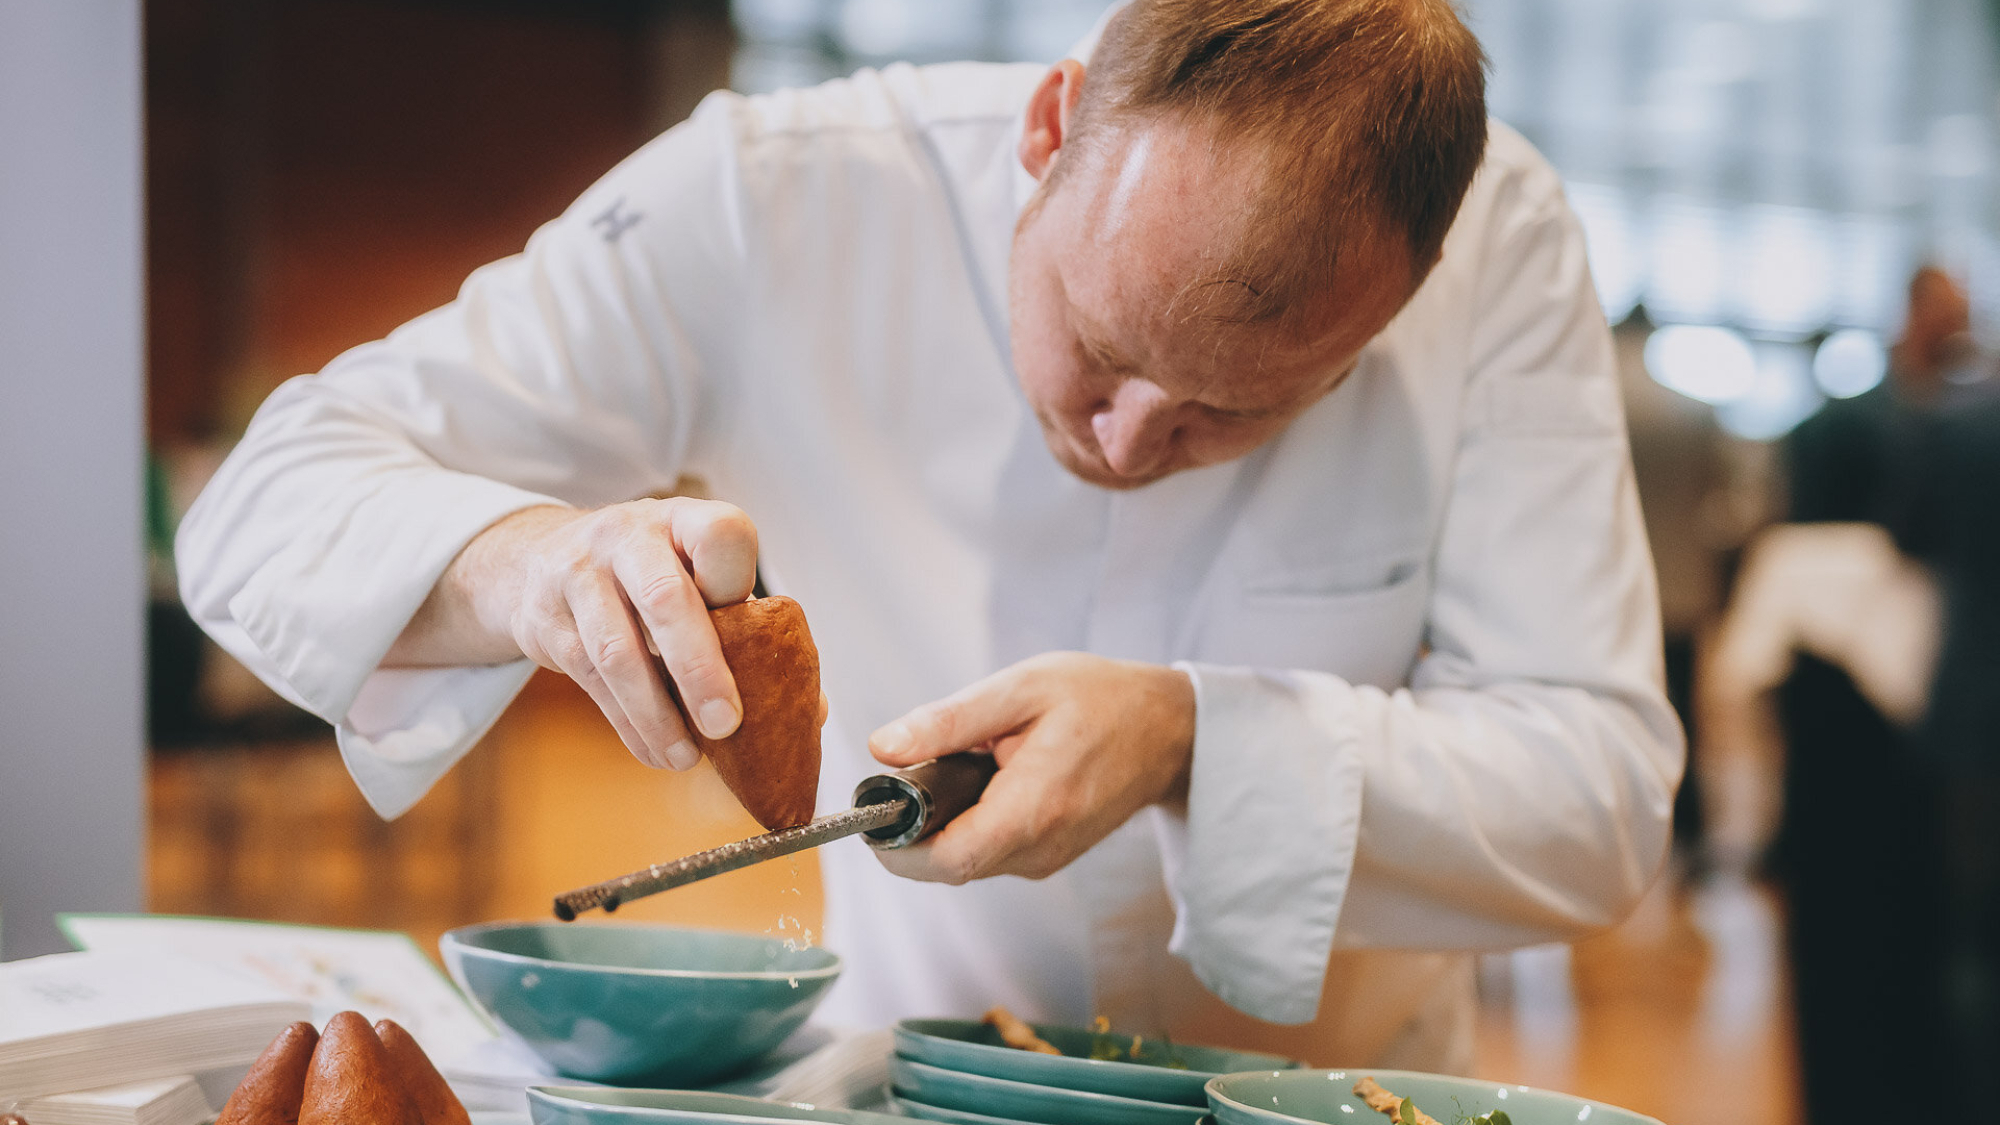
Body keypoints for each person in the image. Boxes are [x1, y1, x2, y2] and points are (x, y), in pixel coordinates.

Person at [176, 0, 1681, 1068]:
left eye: (1235, 414)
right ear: (1050, 127)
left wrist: (1189, 735)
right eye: (1097, 344)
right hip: (910, 1083)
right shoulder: (774, 199)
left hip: (1326, 1098)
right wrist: (529, 566)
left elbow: (1600, 796)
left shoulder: (1501, 252)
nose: (1129, 442)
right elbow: (264, 502)